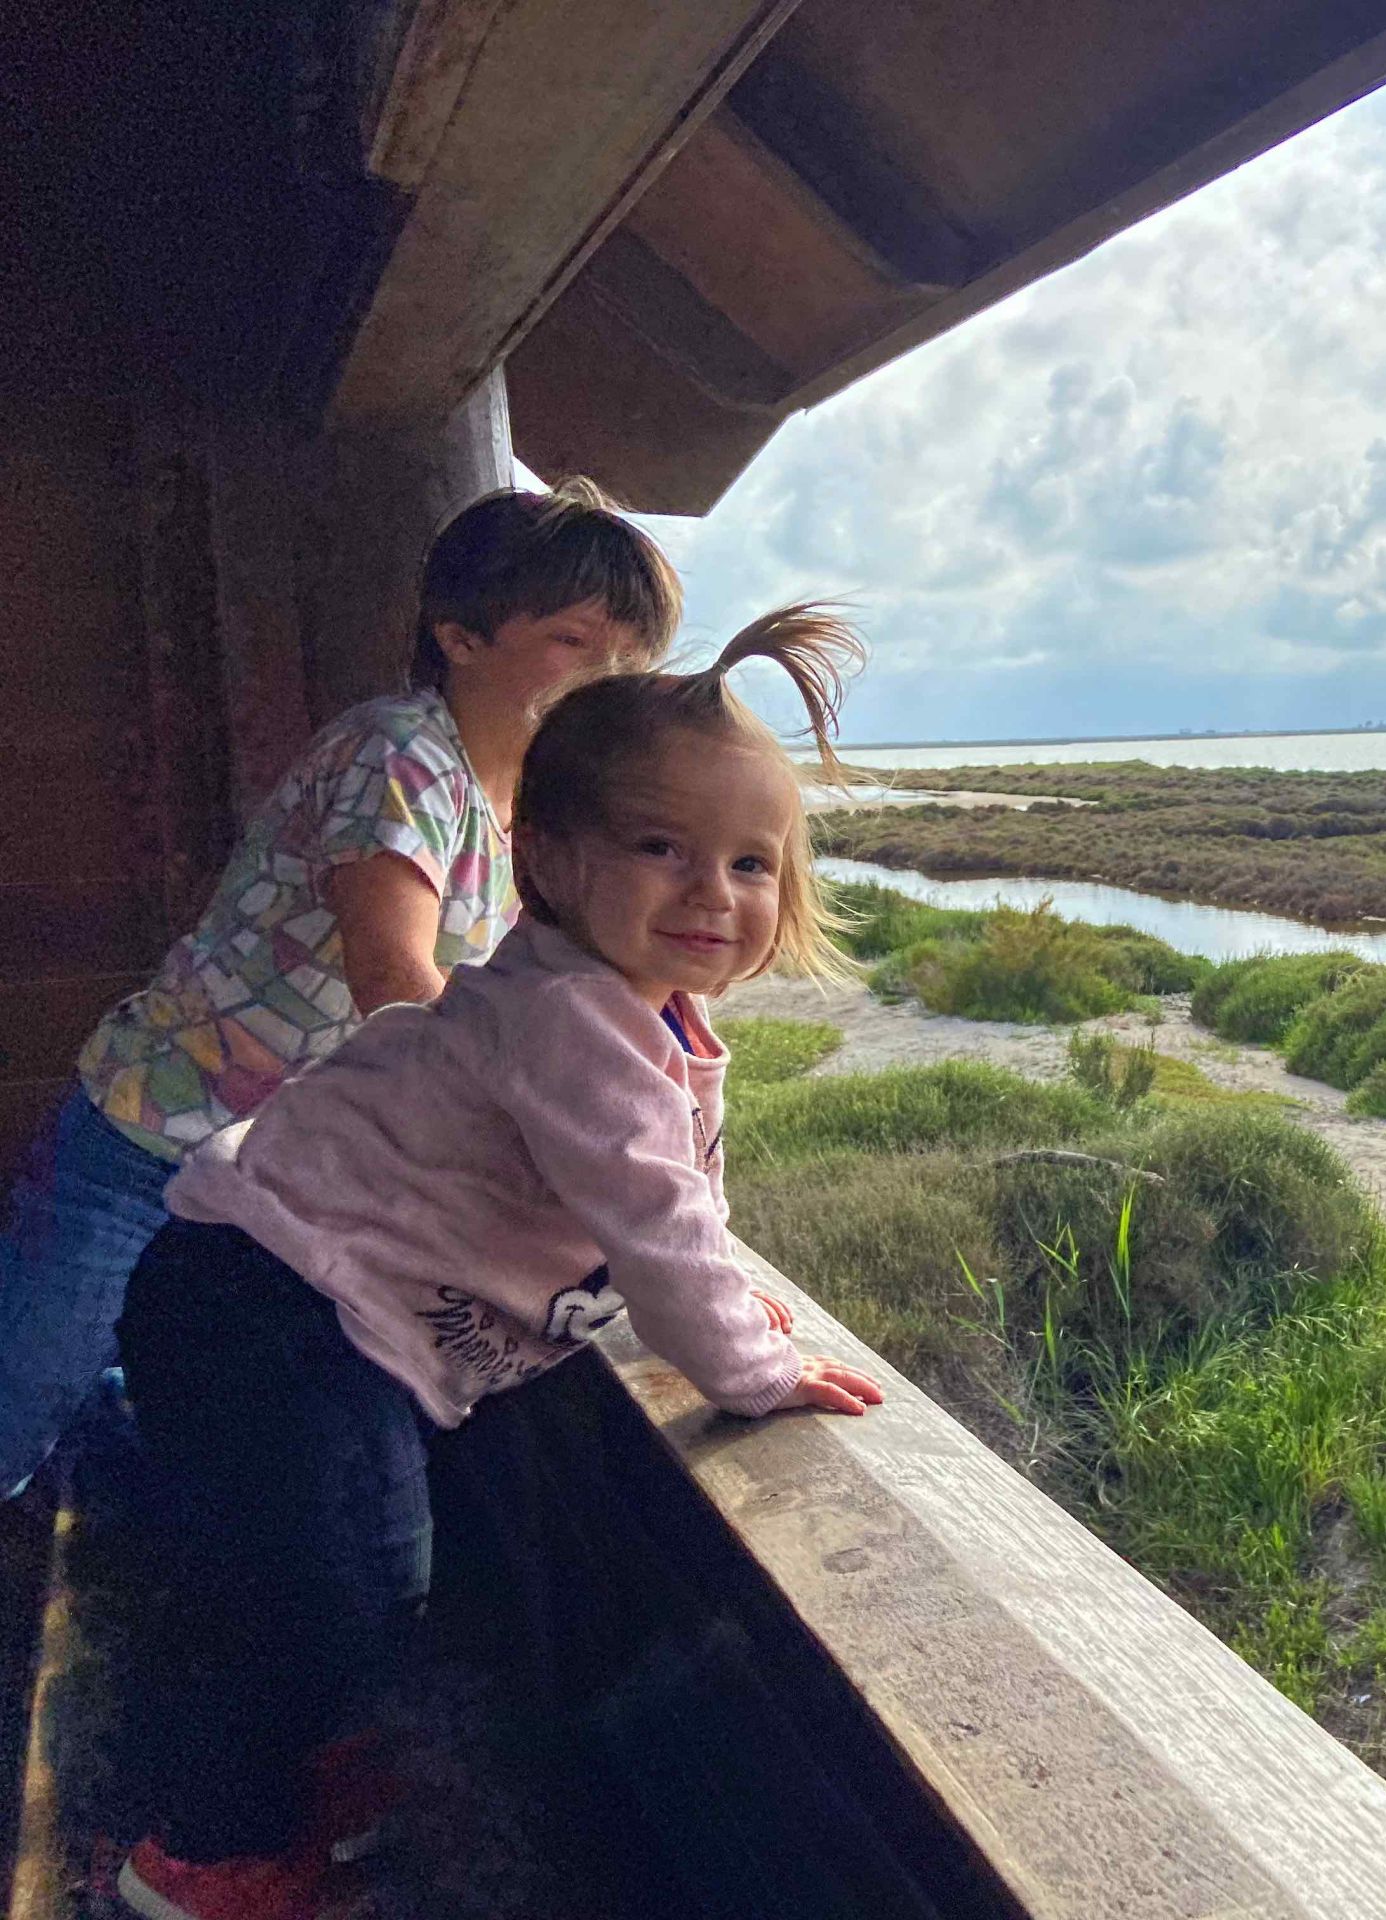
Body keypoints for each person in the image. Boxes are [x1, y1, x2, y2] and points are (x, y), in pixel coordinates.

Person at [110, 606, 887, 1920]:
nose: (715, 892)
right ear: (554, 859)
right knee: (342, 1585)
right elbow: (654, 1227)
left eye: (754, 864)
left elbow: (680, 1196)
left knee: (337, 1574)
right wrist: (754, 1367)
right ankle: (201, 1858)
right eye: (663, 849)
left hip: (294, 1303)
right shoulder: (575, 1020)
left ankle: (297, 1754)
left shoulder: (639, 1018)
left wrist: (735, 1299)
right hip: (271, 1305)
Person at [0, 479, 682, 1498]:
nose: (611, 676)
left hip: (269, 1186)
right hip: (154, 1134)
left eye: (633, 653)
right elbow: (396, 985)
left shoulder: (527, 808)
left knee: (158, 1405)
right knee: (19, 1405)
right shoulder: (402, 755)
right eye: (578, 641)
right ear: (459, 637)